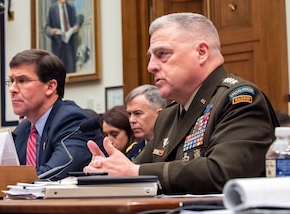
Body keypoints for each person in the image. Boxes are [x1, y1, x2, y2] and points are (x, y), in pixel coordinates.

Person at [84, 12, 277, 194]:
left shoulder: (239, 100)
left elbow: (224, 172)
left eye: (162, 54)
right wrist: (106, 168)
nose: (151, 66)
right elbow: (133, 168)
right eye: (151, 56)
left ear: (201, 52)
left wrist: (133, 172)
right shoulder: (168, 116)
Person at [9, 49, 102, 180]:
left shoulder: (72, 121)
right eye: (11, 81)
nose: (12, 89)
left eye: (22, 80)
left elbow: (55, 172)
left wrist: (6, 179)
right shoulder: (23, 130)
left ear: (50, 87)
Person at [44, 0, 80, 73]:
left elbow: (76, 22)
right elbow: (46, 28)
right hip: (58, 44)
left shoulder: (71, 6)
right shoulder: (52, 9)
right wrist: (52, 31)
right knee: (58, 71)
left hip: (70, 43)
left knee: (71, 69)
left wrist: (75, 27)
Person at [125, 84, 167, 159]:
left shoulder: (173, 145)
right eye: (129, 114)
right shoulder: (134, 150)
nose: (131, 120)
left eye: (137, 113)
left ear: (160, 114)